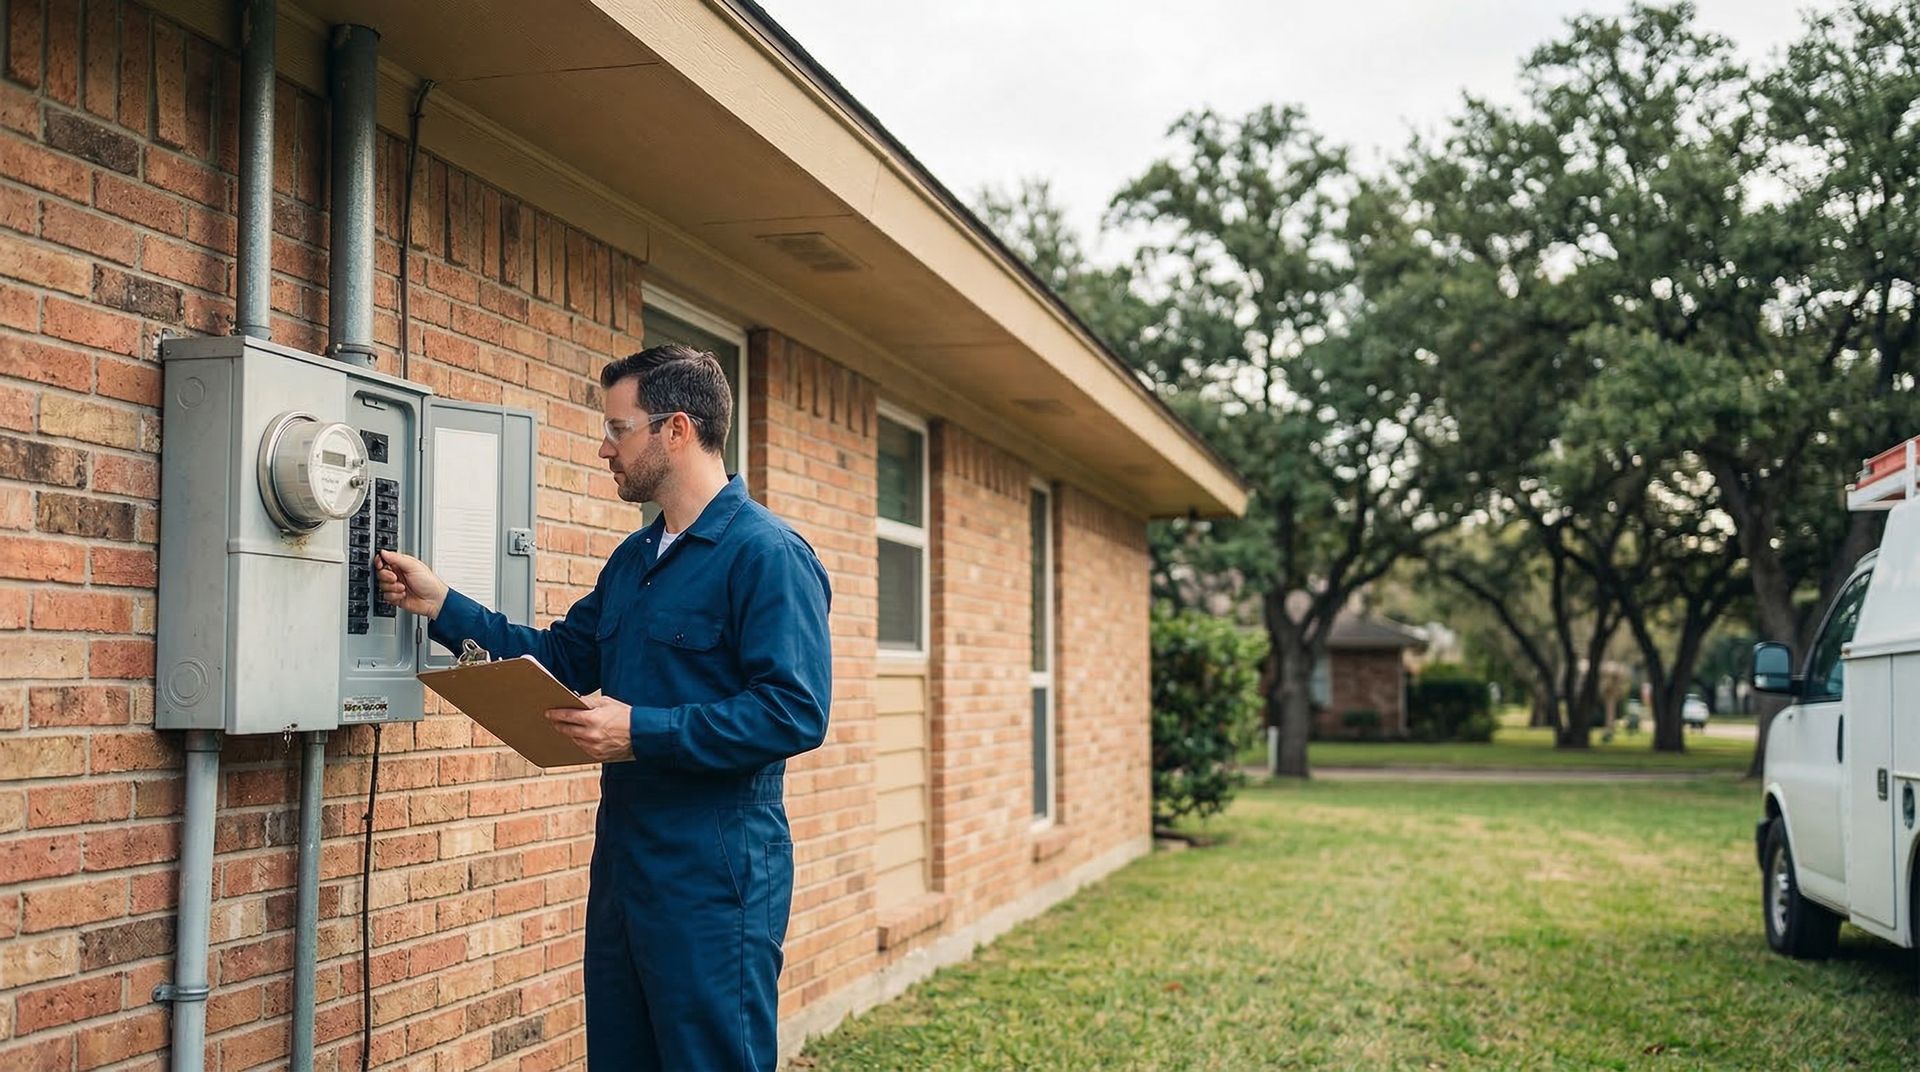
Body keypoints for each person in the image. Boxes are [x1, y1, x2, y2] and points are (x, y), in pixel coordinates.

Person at [376, 343, 832, 1071]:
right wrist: (442, 605)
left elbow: (794, 712)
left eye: (619, 430)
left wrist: (640, 731)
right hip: (624, 868)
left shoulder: (766, 554)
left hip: (716, 875)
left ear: (675, 430)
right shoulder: (634, 560)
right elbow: (560, 659)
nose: (604, 448)